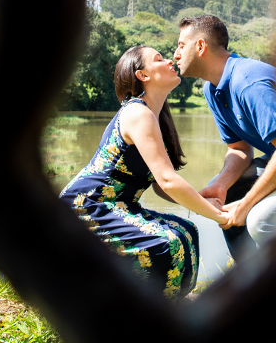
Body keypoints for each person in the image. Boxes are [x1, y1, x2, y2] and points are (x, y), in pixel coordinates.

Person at [59, 45, 229, 299]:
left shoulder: (156, 117)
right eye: (159, 59)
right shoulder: (137, 112)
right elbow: (168, 181)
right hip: (88, 206)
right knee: (166, 243)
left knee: (186, 230)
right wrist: (220, 216)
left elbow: (161, 185)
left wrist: (201, 201)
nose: (170, 60)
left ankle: (168, 307)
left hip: (120, 205)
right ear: (142, 75)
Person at [173, 15, 276, 260]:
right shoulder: (212, 88)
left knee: (261, 220)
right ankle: (251, 282)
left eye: (181, 45)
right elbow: (239, 148)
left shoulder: (248, 82)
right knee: (226, 195)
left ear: (201, 46)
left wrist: (246, 205)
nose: (176, 54)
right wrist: (221, 185)